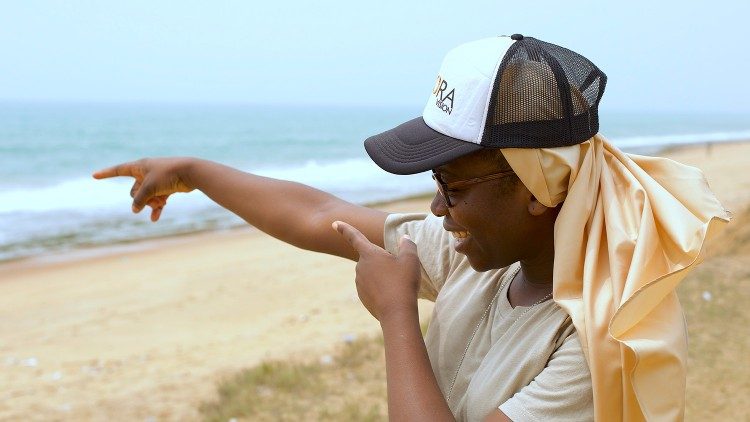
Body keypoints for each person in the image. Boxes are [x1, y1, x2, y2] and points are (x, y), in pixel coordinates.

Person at [94, 35, 730, 421]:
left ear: (537, 191)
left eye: (453, 186)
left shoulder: (602, 335)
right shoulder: (486, 251)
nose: (436, 210)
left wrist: (396, 315)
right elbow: (322, 216)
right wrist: (197, 172)